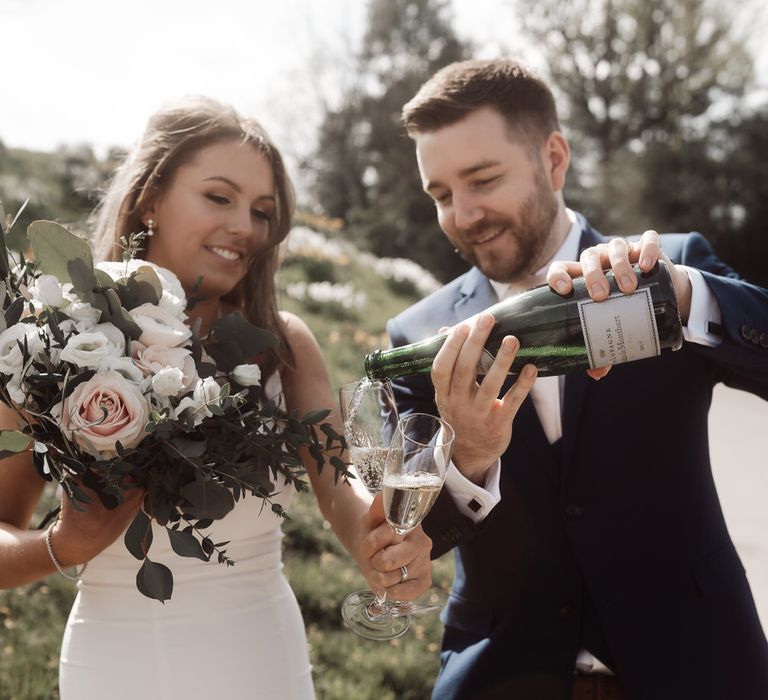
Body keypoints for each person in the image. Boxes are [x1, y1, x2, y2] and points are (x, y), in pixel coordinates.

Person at [0, 96, 432, 699]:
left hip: (260, 663)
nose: (245, 228)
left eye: (262, 211)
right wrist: (61, 546)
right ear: (151, 195)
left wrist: (377, 543)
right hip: (111, 669)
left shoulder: (283, 344)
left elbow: (343, 488)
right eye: (219, 197)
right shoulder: (56, 341)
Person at [386, 58, 768, 700]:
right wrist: (470, 461)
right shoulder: (417, 336)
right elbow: (413, 539)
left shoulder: (666, 267)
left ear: (554, 159)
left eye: (483, 179)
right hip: (503, 679)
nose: (464, 213)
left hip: (697, 668)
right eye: (442, 194)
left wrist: (679, 297)